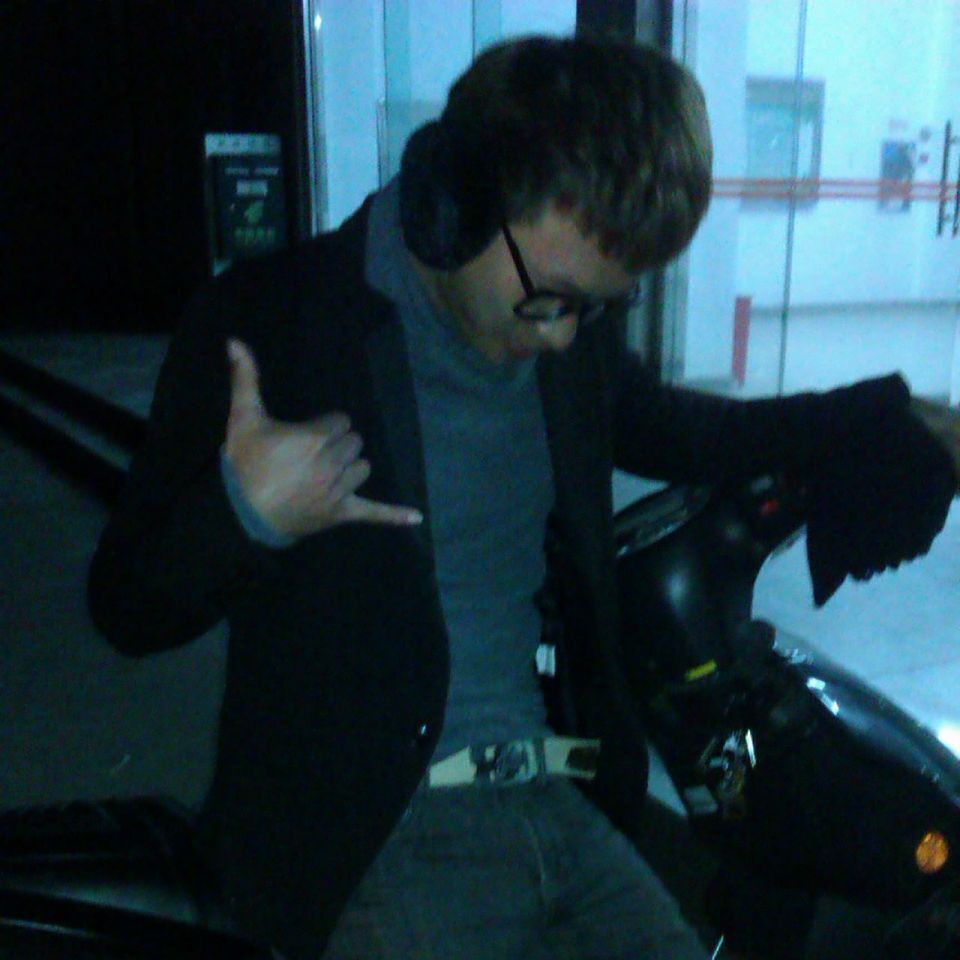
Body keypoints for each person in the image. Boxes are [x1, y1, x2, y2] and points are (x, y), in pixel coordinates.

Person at [87, 35, 960, 960]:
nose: (561, 339)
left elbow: (687, 428)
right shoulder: (271, 325)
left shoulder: (563, 341)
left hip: (558, 804)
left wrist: (887, 415)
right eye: (552, 298)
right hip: (371, 839)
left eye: (596, 308)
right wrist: (243, 513)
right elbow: (125, 607)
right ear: (453, 205)